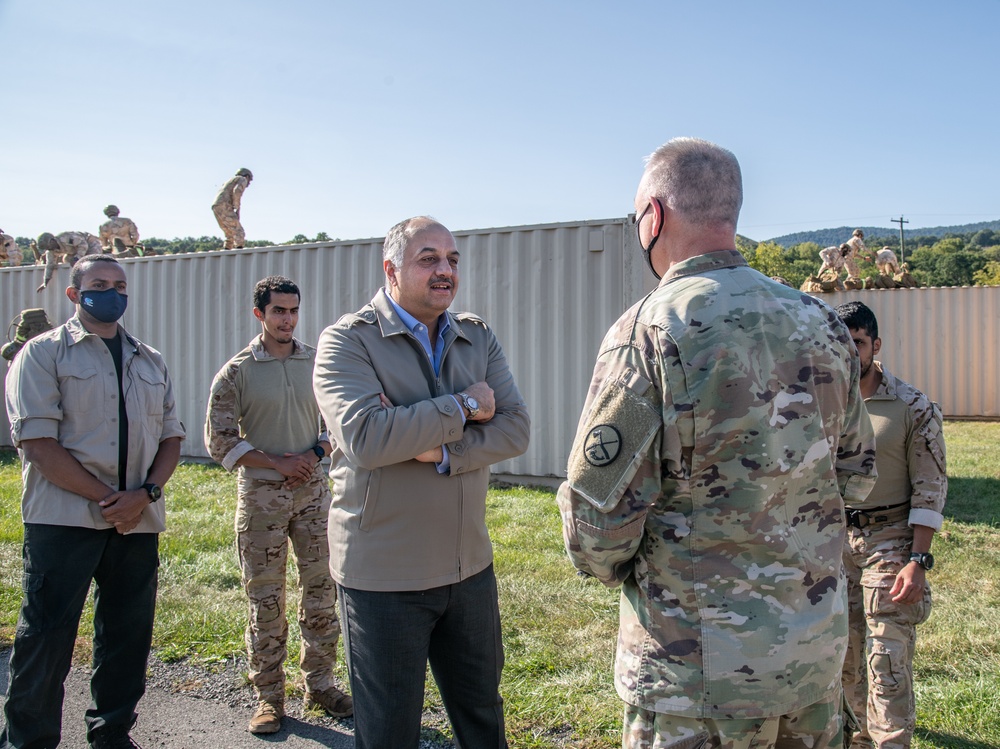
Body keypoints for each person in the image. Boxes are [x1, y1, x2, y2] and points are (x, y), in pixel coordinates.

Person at [557, 137, 878, 749]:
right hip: (810, 662)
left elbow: (599, 518)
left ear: (653, 215)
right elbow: (858, 473)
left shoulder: (649, 330)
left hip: (695, 680)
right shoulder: (822, 322)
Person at [312, 216, 531, 749]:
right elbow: (367, 438)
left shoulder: (474, 336)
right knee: (389, 729)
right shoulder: (348, 342)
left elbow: (516, 430)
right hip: (384, 575)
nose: (445, 271)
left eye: (452, 260)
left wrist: (432, 447)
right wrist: (465, 405)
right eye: (428, 258)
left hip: (468, 566)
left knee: (482, 715)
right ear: (391, 270)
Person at [2, 254, 185, 749]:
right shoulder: (42, 355)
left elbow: (172, 438)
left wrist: (143, 496)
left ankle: (111, 733)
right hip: (65, 518)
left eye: (120, 285)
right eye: (99, 284)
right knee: (46, 637)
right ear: (73, 294)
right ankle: (28, 740)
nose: (112, 293)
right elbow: (38, 444)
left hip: (137, 520)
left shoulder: (150, 359)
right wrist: (111, 499)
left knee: (127, 637)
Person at [204, 275, 352, 735]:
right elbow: (219, 440)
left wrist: (310, 456)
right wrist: (275, 462)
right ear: (260, 315)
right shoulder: (238, 371)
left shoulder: (318, 362)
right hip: (262, 498)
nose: (287, 320)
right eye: (278, 312)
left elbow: (339, 422)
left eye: (293, 311)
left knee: (322, 594)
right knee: (265, 600)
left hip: (314, 495)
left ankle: (321, 684)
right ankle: (269, 698)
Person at [835, 301, 946, 749]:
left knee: (887, 658)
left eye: (857, 343)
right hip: (836, 541)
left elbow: (930, 486)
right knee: (843, 654)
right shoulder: (824, 404)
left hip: (891, 539)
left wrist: (918, 559)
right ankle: (860, 737)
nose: (849, 353)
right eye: (841, 344)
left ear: (875, 345)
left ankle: (891, 741)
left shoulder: (911, 406)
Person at [34, 230, 105, 291]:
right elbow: (50, 265)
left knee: (93, 261)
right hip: (75, 250)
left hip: (90, 243)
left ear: (52, 241)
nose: (49, 249)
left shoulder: (66, 238)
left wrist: (77, 257)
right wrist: (46, 281)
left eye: (48, 246)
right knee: (67, 260)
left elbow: (83, 245)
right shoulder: (51, 251)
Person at [212, 168, 253, 249]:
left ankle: (227, 250)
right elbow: (237, 191)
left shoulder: (229, 181)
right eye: (250, 180)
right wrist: (237, 207)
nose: (249, 183)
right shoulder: (242, 179)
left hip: (216, 206)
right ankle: (239, 250)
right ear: (247, 176)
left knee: (229, 233)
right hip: (225, 205)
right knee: (239, 231)